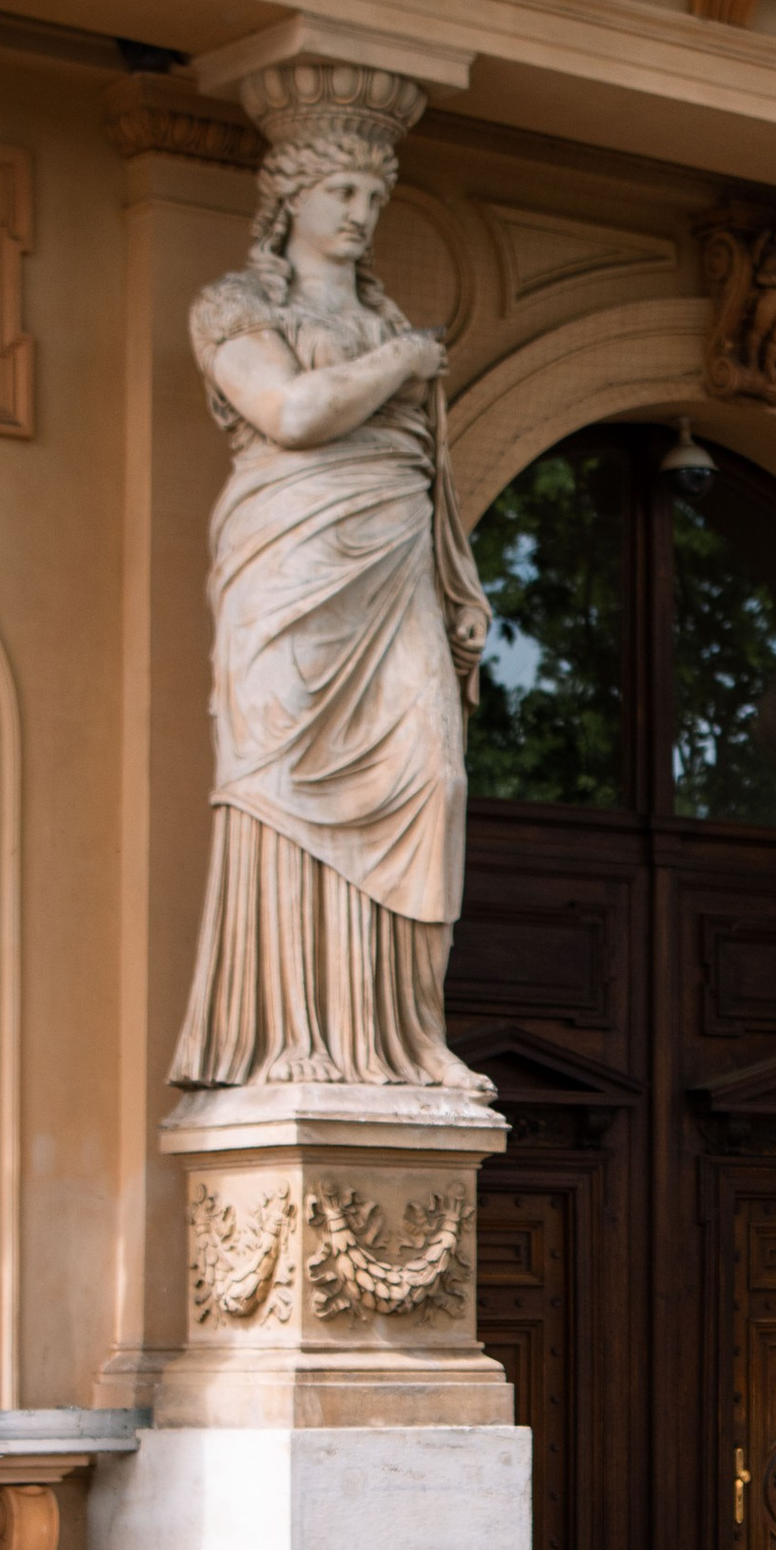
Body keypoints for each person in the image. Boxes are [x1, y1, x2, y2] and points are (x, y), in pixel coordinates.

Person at [174, 105, 491, 1089]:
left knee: (430, 781)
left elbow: (412, 459)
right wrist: (401, 362)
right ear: (290, 202)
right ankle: (295, 1038)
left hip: (391, 562)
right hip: (290, 567)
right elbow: (291, 411)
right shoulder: (234, 307)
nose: (359, 213)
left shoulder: (385, 317)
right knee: (290, 792)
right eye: (341, 193)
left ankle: (400, 1040)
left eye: (373, 196)